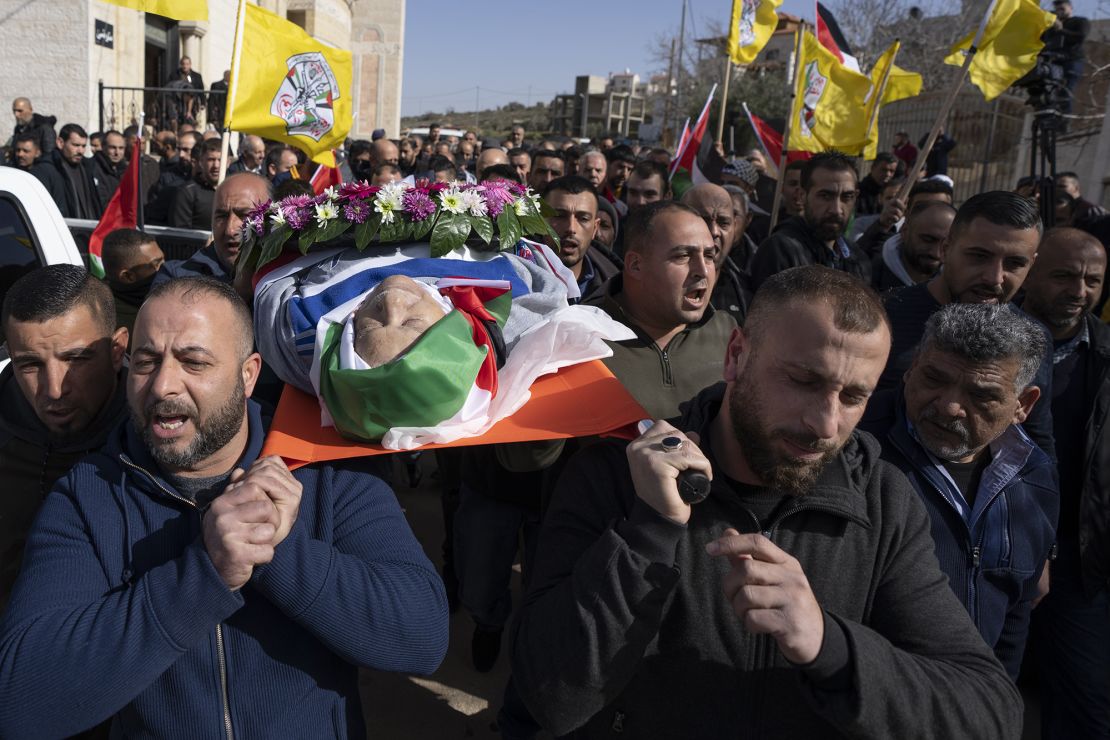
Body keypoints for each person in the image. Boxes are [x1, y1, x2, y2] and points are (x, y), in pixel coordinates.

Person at [511, 265, 1022, 738]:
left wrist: (831, 648)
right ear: (736, 355)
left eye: (852, 397)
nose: (825, 425)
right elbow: (552, 699)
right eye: (804, 381)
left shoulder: (883, 501)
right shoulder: (614, 475)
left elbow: (988, 710)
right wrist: (649, 531)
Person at [0, 276, 449, 737]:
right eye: (146, 361)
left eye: (193, 362)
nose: (162, 386)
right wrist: (205, 574)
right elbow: (21, 701)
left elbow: (421, 639)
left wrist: (282, 549)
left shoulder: (325, 472)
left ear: (248, 374)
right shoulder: (87, 496)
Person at [860, 303, 1056, 680]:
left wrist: (994, 709)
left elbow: (1014, 618)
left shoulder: (1034, 479)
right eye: (934, 378)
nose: (950, 407)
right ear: (912, 366)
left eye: (980, 396)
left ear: (1023, 405)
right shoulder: (853, 450)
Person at [877, 190, 1056, 461]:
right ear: (946, 249)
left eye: (1014, 263)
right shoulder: (881, 318)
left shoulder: (1033, 339)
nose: (994, 277)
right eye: (979, 256)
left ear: (1032, 264)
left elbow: (1035, 441)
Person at [1019, 227, 1110, 738]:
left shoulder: (1105, 355)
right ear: (1029, 271)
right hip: (996, 548)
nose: (1079, 291)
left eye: (1093, 280)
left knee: (1086, 707)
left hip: (1080, 559)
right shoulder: (986, 344)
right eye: (1064, 276)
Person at [0, 266, 130, 613]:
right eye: (29, 365)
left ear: (117, 350)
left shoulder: (157, 438)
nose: (54, 389)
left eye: (75, 359)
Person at [584, 200, 735, 418]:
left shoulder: (728, 332)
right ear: (636, 265)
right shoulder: (579, 336)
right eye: (683, 256)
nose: (702, 270)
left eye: (709, 256)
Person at [749, 152, 871, 291]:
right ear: (802, 195)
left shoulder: (857, 258)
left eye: (847, 197)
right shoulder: (780, 251)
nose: (836, 209)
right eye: (825, 196)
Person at [156, 172, 271, 286]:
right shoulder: (175, 278)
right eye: (221, 216)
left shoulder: (286, 279)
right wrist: (240, 293)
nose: (230, 230)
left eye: (245, 215)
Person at [542, 176, 620, 303]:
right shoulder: (511, 275)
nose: (571, 228)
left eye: (583, 218)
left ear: (595, 228)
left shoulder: (617, 290)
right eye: (560, 216)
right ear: (541, 221)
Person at [871, 201, 955, 292]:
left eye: (946, 245)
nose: (936, 254)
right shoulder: (867, 274)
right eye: (928, 240)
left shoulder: (958, 285)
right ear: (904, 231)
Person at [101, 228, 166, 341]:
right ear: (128, 276)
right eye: (156, 264)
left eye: (163, 260)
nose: (165, 268)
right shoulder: (108, 319)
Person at [1042, 0, 1089, 114]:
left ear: (1070, 7)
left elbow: (1080, 37)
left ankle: (1064, 123)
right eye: (1058, 9)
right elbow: (1043, 41)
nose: (1060, 12)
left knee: (1066, 91)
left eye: (1062, 9)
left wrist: (1061, 30)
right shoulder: (1052, 26)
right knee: (1047, 91)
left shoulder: (1080, 21)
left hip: (1072, 60)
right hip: (1054, 62)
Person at [49, 123, 101, 219]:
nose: (80, 151)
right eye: (76, 145)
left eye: (83, 146)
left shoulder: (86, 168)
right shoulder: (50, 169)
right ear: (60, 143)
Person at [169, 138, 221, 229]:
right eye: (211, 160)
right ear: (201, 162)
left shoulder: (234, 191)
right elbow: (180, 233)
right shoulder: (187, 192)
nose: (216, 166)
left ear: (228, 162)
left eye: (220, 160)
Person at [9, 131, 66, 202]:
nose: (20, 154)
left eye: (26, 151)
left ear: (37, 153)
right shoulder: (12, 171)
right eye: (18, 150)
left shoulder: (44, 173)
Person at [7, 97, 56, 164]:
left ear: (30, 109)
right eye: (14, 111)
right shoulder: (18, 128)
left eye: (20, 111)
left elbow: (49, 155)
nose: (16, 115)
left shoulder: (44, 128)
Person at [90, 130, 126, 207]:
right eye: (112, 148)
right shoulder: (93, 168)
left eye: (121, 148)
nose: (117, 152)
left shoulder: (125, 170)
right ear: (103, 147)